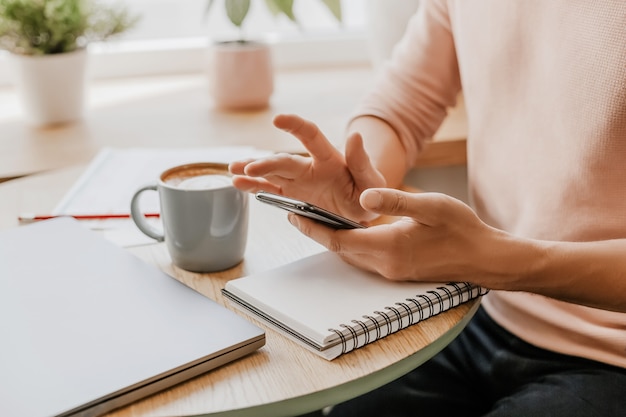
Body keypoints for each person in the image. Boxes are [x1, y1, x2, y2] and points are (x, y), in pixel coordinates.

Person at [229, 1, 626, 416]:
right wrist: (362, 182)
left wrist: (496, 261)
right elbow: (402, 106)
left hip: (611, 356)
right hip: (478, 312)